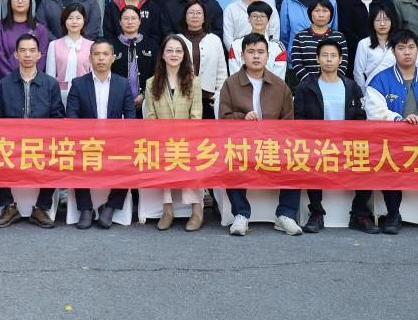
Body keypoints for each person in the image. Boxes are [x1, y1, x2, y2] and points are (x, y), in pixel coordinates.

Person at [362, 30, 418, 235]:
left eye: (411, 47)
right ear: (393, 51)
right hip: (393, 141)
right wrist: (400, 121)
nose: (407, 52)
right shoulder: (380, 80)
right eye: (401, 48)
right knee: (387, 157)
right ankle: (393, 214)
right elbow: (375, 112)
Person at [288, 40, 376, 234]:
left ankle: (359, 213)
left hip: (347, 144)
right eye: (325, 55)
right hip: (316, 144)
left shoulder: (351, 86)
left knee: (368, 160)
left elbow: (360, 117)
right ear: (317, 58)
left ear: (340, 59)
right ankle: (316, 212)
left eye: (333, 56)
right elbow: (299, 118)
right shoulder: (306, 86)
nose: (329, 59)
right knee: (307, 159)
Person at [218, 34, 300, 237]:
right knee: (230, 159)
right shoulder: (230, 84)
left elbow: (288, 123)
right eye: (251, 52)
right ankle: (241, 214)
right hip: (242, 144)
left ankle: (286, 214)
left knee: (297, 159)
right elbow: (224, 118)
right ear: (242, 56)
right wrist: (242, 117)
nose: (256, 56)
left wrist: (276, 139)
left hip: (273, 144)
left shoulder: (280, 86)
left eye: (261, 52)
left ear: (268, 56)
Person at [0, 34, 65, 228]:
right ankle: (8, 206)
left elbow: (58, 117)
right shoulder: (4, 83)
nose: (27, 55)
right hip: (11, 142)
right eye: (22, 51)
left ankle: (41, 208)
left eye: (32, 51)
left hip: (42, 143)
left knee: (57, 155)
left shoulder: (50, 83)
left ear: (39, 54)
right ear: (16, 55)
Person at [67, 39, 137, 228]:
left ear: (113, 58)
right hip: (86, 142)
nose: (101, 58)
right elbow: (71, 117)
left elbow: (130, 117)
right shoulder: (78, 84)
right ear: (90, 58)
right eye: (97, 54)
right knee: (75, 156)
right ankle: (85, 208)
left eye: (105, 54)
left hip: (115, 142)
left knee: (130, 159)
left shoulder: (122, 84)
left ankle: (111, 206)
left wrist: (121, 139)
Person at [143, 35, 205, 230]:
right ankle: (167, 210)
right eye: (169, 50)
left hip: (189, 138)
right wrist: (162, 139)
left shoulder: (194, 82)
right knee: (162, 153)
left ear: (184, 55)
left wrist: (185, 139)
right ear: (162, 55)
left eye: (178, 51)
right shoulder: (151, 83)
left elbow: (196, 116)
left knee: (191, 154)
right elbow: (150, 117)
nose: (174, 54)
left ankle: (196, 211)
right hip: (161, 139)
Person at [0, 0, 50, 79]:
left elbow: (42, 58)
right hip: (7, 82)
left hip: (34, 82)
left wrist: (30, 79)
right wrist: (13, 81)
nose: (20, 1)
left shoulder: (40, 29)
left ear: (30, 1)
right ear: (9, 1)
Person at [178, 1, 227, 120]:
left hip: (209, 99)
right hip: (181, 99)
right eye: (191, 13)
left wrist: (218, 96)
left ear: (204, 18)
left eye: (199, 13)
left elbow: (221, 72)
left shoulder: (214, 40)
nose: (195, 16)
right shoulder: (177, 40)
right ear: (185, 17)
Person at [286, 0, 348, 91]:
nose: (321, 15)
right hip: (307, 88)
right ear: (310, 13)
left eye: (325, 10)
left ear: (331, 14)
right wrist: (312, 84)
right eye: (317, 10)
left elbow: (343, 63)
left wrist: (332, 81)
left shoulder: (339, 37)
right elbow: (297, 64)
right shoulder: (300, 36)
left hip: (333, 86)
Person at [111, 6, 157, 110]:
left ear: (140, 21)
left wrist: (144, 95)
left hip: (147, 102)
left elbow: (157, 73)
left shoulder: (151, 44)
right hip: (117, 101)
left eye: (133, 18)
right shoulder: (111, 45)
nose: (130, 22)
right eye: (126, 18)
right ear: (120, 22)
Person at [228, 1, 288, 80]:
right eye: (254, 16)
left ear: (268, 20)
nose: (258, 19)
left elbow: (278, 80)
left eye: (262, 16)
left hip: (270, 87)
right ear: (249, 18)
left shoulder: (278, 47)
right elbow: (234, 77)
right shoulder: (236, 45)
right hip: (241, 87)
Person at [45, 4, 93, 99]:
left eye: (78, 18)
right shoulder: (54, 45)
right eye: (70, 18)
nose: (74, 22)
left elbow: (93, 75)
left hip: (85, 93)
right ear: (64, 20)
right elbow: (50, 77)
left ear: (84, 20)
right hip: (60, 93)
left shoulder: (92, 45)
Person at [351, 0, 398, 89]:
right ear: (372, 22)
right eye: (378, 20)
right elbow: (358, 72)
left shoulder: (398, 42)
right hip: (372, 88)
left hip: (395, 88)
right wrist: (364, 93)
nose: (382, 24)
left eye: (386, 19)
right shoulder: (364, 44)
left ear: (392, 21)